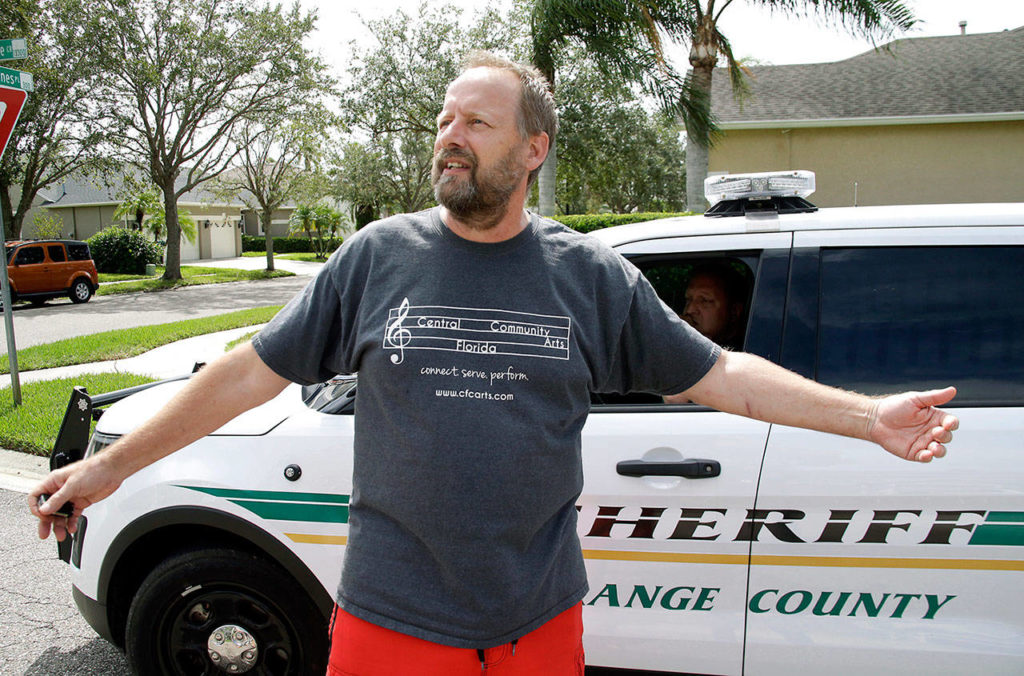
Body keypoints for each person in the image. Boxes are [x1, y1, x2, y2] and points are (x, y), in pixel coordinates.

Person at [29, 52, 958, 676]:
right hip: (388, 625)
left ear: (533, 150)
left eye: (477, 121)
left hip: (537, 625)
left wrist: (865, 417)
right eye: (445, 118)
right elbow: (246, 375)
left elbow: (719, 374)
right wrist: (106, 467)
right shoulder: (374, 257)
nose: (450, 134)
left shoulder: (587, 275)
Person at [680, 261, 748, 352]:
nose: (689, 310)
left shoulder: (741, 357)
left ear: (734, 311)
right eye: (688, 299)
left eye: (705, 300)